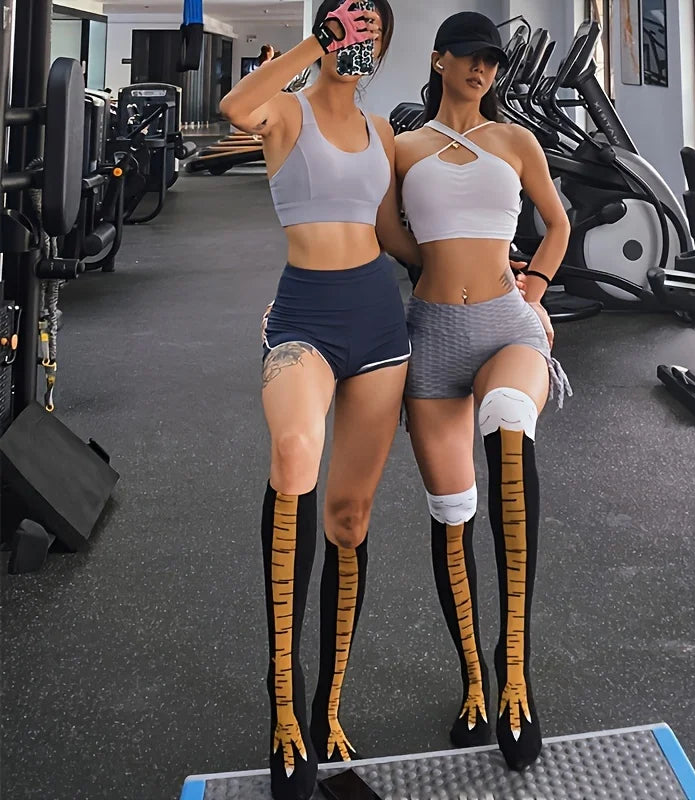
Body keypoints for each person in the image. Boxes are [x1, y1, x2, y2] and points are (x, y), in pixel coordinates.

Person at [220, 3, 418, 799]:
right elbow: (235, 107)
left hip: (378, 322)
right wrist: (315, 40)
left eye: (370, 34)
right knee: (294, 453)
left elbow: (393, 232)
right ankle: (284, 705)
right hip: (304, 316)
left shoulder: (382, 133)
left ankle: (327, 705)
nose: (355, 44)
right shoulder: (286, 110)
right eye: (347, 27)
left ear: (382, 50)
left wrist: (486, 273)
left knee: (349, 519)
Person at [395, 11, 572, 773]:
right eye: (470, 57)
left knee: (507, 419)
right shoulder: (402, 148)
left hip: (508, 325)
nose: (482, 70)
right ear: (439, 60)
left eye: (492, 62)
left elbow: (557, 225)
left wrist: (533, 290)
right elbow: (382, 234)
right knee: (452, 512)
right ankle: (473, 678)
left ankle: (515, 674)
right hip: (432, 333)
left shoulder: (516, 140)